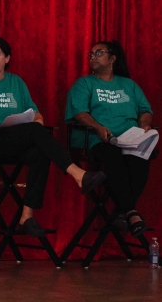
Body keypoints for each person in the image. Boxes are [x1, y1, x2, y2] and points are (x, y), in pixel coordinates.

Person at [0, 37, 105, 236]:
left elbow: (36, 113)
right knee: (35, 133)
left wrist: (37, 121)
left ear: (7, 58)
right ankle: (78, 174)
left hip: (17, 139)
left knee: (40, 151)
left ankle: (26, 216)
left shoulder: (16, 82)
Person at [65, 40, 154, 236]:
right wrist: (97, 127)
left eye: (98, 53)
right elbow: (80, 113)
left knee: (142, 156)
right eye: (91, 54)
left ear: (112, 59)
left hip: (128, 138)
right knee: (113, 155)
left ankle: (123, 212)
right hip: (96, 138)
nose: (92, 57)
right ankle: (130, 211)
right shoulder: (85, 83)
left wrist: (144, 125)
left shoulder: (128, 85)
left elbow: (145, 111)